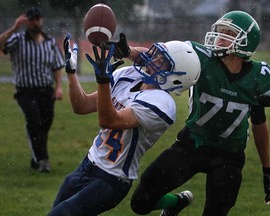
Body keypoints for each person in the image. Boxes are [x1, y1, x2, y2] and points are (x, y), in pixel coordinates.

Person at [108, 10, 270, 216]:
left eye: (228, 34)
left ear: (246, 42)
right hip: (192, 145)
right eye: (220, 32)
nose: (219, 38)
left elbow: (259, 122)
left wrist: (266, 168)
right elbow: (160, 60)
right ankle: (175, 204)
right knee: (141, 202)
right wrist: (128, 51)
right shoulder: (201, 59)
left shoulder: (259, 79)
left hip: (230, 156)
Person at [47, 34, 201, 216]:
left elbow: (109, 120)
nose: (153, 60)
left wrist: (103, 80)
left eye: (161, 61)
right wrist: (71, 72)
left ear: (175, 78)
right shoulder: (129, 76)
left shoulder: (162, 103)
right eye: (157, 55)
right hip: (87, 164)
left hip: (112, 179)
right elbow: (82, 106)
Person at [0, 7, 64, 172]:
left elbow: (57, 67)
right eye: (32, 19)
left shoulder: (50, 43)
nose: (36, 22)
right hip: (26, 90)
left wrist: (59, 87)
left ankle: (36, 158)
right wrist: (14, 28)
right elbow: (0, 45)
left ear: (41, 20)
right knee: (34, 122)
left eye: (38, 19)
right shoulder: (18, 39)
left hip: (46, 90)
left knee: (44, 125)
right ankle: (43, 161)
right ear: (27, 21)